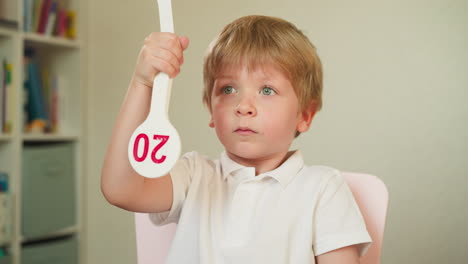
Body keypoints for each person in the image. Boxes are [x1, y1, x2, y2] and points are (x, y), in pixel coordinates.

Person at [102, 15, 372, 264]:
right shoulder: (193, 175)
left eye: (267, 89)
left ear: (305, 115)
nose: (244, 106)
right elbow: (119, 189)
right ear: (210, 108)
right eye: (228, 89)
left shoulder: (323, 189)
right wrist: (143, 83)